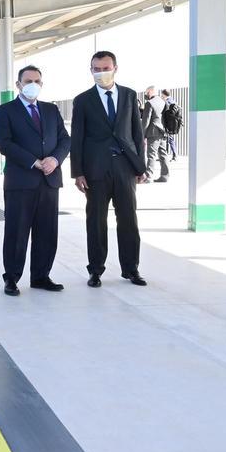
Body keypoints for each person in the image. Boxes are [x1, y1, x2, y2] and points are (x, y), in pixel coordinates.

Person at [70, 51, 148, 288]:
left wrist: (140, 166)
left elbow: (137, 133)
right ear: (91, 70)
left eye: (105, 68)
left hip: (125, 168)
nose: (101, 72)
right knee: (96, 221)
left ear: (115, 68)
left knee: (128, 220)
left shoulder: (129, 95)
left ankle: (131, 268)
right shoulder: (82, 100)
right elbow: (78, 138)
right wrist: (78, 172)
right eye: (96, 68)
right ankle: (95, 270)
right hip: (95, 170)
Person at [0, 65, 71, 296]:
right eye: (28, 81)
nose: (32, 85)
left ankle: (41, 276)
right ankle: (12, 278)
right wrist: (35, 161)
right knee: (17, 231)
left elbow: (65, 140)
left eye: (37, 81)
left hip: (49, 180)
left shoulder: (51, 110)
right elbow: (4, 143)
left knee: (47, 231)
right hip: (21, 181)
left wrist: (55, 160)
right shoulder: (5, 111)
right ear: (18, 85)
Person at [141, 86, 169, 183]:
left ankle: (148, 176)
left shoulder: (149, 103)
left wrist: (142, 135)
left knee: (151, 155)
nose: (146, 94)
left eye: (146, 92)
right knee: (163, 154)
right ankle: (165, 176)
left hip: (153, 132)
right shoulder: (163, 101)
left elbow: (145, 121)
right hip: (163, 132)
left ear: (150, 92)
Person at [161, 89, 181, 160]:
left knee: (169, 139)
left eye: (162, 94)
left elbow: (165, 112)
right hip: (173, 123)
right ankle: (173, 154)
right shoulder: (173, 100)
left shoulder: (167, 101)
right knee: (170, 139)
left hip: (168, 123)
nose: (161, 96)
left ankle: (173, 155)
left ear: (164, 94)